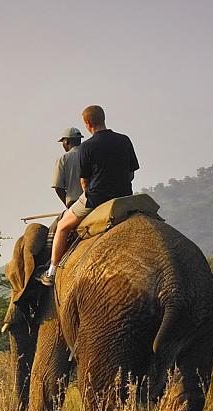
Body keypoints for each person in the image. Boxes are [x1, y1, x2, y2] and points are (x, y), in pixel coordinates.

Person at [41, 105, 139, 286]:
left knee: (62, 226)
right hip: (125, 197)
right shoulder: (125, 140)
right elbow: (131, 173)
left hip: (95, 199)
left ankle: (52, 271)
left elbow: (84, 182)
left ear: (88, 123)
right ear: (103, 118)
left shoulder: (87, 147)